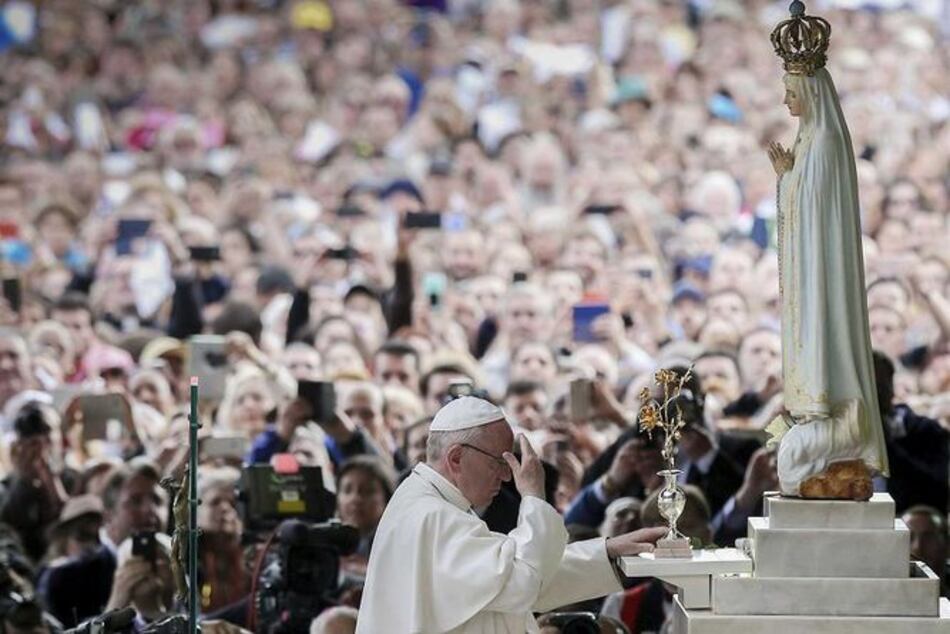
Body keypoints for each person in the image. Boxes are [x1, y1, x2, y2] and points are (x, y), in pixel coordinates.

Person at [356, 396, 665, 633]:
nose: (506, 477)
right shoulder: (431, 516)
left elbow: (514, 575)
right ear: (456, 458)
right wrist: (533, 496)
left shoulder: (434, 504)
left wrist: (607, 550)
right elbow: (522, 583)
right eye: (499, 462)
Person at [767, 6, 888, 497]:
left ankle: (833, 418)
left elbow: (816, 205)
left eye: (792, 93)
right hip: (810, 265)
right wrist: (790, 175)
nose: (786, 100)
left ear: (812, 91)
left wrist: (787, 176)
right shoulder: (811, 139)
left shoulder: (825, 141)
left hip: (822, 269)